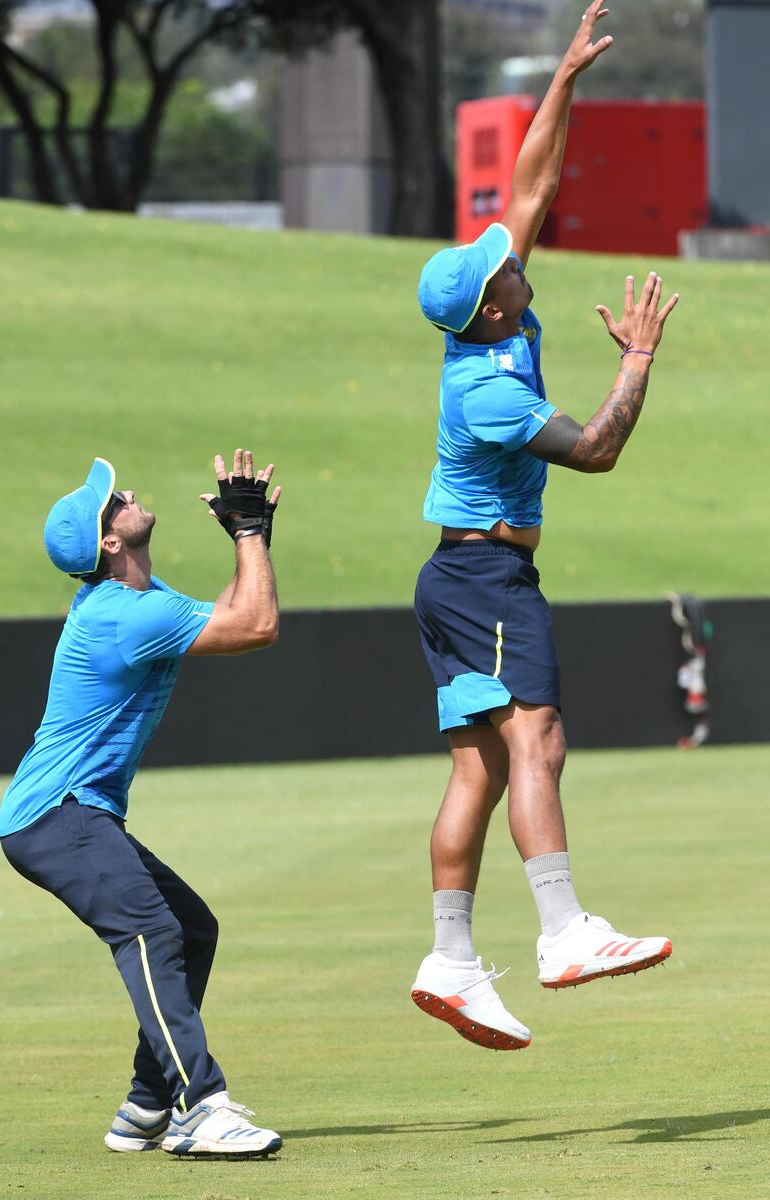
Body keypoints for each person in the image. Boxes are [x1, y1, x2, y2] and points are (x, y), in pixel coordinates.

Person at [410, 1, 678, 1052]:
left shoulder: (495, 314)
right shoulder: (486, 391)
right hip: (483, 582)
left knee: (477, 768)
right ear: (487, 308)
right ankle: (563, 932)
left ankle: (449, 959)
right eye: (502, 269)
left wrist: (561, 80)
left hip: (456, 577)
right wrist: (637, 358)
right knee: (537, 740)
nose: (516, 258)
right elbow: (599, 449)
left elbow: (526, 186)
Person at [0, 449, 285, 1156]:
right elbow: (256, 627)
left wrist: (254, 539)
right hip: (57, 813)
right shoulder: (126, 616)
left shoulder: (133, 606)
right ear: (110, 541)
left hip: (67, 814)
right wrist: (247, 532)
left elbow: (231, 613)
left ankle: (147, 1106)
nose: (125, 491)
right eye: (113, 499)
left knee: (191, 929)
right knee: (153, 933)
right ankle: (198, 1105)